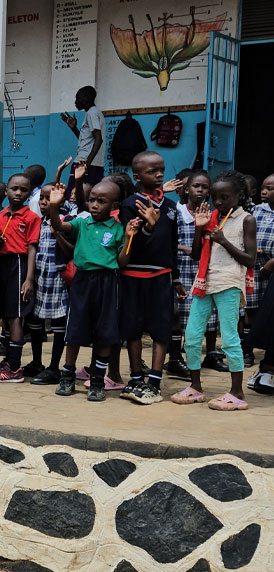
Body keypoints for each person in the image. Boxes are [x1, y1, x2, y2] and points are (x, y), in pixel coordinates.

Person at [171, 170, 257, 410]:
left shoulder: (246, 219)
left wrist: (223, 240)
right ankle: (196, 387)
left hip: (229, 283)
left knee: (229, 337)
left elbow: (250, 260)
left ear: (239, 196)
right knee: (192, 335)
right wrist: (200, 228)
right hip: (205, 282)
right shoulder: (211, 216)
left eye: (224, 197)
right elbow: (197, 255)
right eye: (215, 197)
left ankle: (237, 392)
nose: (218, 202)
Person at [46, 180, 126, 401]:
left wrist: (130, 237)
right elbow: (59, 226)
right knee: (75, 330)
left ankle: (98, 379)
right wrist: (54, 206)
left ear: (114, 205)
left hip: (108, 282)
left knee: (105, 331)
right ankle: (68, 375)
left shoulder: (119, 229)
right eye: (92, 200)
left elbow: (122, 260)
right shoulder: (82, 223)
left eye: (102, 201)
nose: (95, 205)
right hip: (83, 280)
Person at [118, 151, 182, 405]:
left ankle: (154, 381)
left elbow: (172, 245)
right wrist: (146, 228)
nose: (159, 175)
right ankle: (135, 377)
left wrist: (175, 278)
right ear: (137, 176)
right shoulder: (130, 205)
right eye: (152, 171)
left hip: (161, 276)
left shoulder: (170, 207)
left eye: (161, 170)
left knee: (161, 327)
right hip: (132, 275)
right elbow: (128, 243)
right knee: (132, 328)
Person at [0, 173, 41, 382]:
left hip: (19, 264)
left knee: (16, 315)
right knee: (7, 316)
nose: (18, 193)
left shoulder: (31, 218)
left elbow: (32, 248)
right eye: (14, 188)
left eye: (23, 190)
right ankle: (8, 361)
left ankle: (15, 368)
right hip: (1, 266)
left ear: (29, 194)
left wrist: (29, 279)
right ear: (6, 191)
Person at [170, 171, 220, 377]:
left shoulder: (211, 213)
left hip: (204, 268)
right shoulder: (177, 212)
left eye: (205, 187)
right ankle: (176, 358)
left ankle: (211, 354)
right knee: (181, 313)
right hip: (182, 268)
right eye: (196, 186)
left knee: (210, 313)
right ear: (186, 188)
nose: (200, 190)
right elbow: (170, 241)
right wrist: (184, 248)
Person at [27, 185, 70, 385]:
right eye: (42, 198)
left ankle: (54, 368)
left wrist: (58, 234)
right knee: (35, 320)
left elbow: (70, 251)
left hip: (57, 278)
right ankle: (37, 362)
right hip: (39, 277)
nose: (44, 203)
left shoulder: (66, 221)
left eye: (49, 199)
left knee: (58, 322)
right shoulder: (38, 222)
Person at [244, 173, 274, 369]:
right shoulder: (257, 210)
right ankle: (247, 349)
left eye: (269, 188)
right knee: (250, 308)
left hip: (271, 267)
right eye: (263, 187)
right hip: (255, 266)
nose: (264, 191)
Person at [61, 86, 105, 190]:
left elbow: (99, 139)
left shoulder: (92, 113)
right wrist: (73, 128)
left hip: (84, 162)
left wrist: (86, 165)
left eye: (78, 98)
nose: (76, 102)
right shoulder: (94, 113)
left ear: (88, 97)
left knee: (73, 196)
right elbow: (87, 140)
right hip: (95, 164)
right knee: (87, 197)